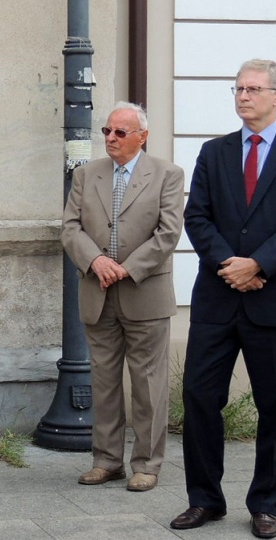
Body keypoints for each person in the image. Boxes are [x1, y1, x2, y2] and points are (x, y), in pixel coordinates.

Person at [171, 59, 276, 540]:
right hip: (217, 294)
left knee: (274, 404)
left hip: (274, 297)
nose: (243, 96)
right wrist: (231, 265)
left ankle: (266, 504)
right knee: (200, 396)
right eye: (238, 88)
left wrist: (259, 264)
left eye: (253, 89)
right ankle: (204, 499)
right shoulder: (214, 152)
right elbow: (198, 217)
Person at [60, 102, 184, 492]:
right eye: (107, 132)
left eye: (120, 133)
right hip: (98, 291)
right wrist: (96, 260)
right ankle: (107, 461)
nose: (111, 139)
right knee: (105, 382)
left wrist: (127, 267)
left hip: (144, 292)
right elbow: (70, 227)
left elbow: (168, 233)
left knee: (148, 384)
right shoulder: (86, 174)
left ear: (142, 136)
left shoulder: (167, 174)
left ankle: (147, 464)